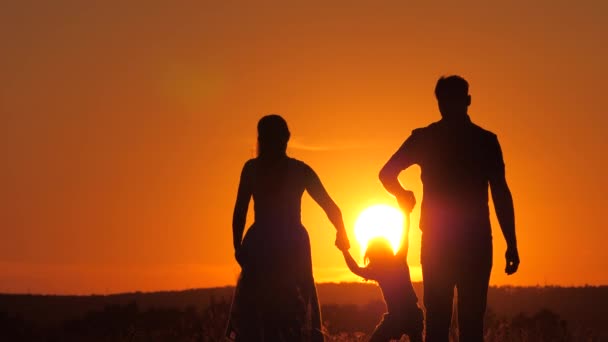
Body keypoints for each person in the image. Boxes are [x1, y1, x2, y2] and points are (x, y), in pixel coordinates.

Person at [379, 75, 520, 341]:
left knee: (439, 324)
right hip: (472, 242)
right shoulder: (485, 141)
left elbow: (386, 174)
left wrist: (403, 194)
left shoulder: (426, 139)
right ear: (467, 101)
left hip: (441, 242)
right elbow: (500, 193)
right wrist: (511, 243)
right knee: (469, 324)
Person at [226, 114, 350, 342]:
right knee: (280, 312)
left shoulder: (257, 169)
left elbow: (239, 212)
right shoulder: (295, 170)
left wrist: (239, 247)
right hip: (282, 245)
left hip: (268, 245)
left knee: (271, 314)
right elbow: (332, 208)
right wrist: (341, 233)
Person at [339, 207, 423, 342]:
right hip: (412, 314)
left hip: (397, 317)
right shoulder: (398, 260)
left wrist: (344, 250)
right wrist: (406, 213)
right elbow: (405, 234)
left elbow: (355, 269)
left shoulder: (380, 271)